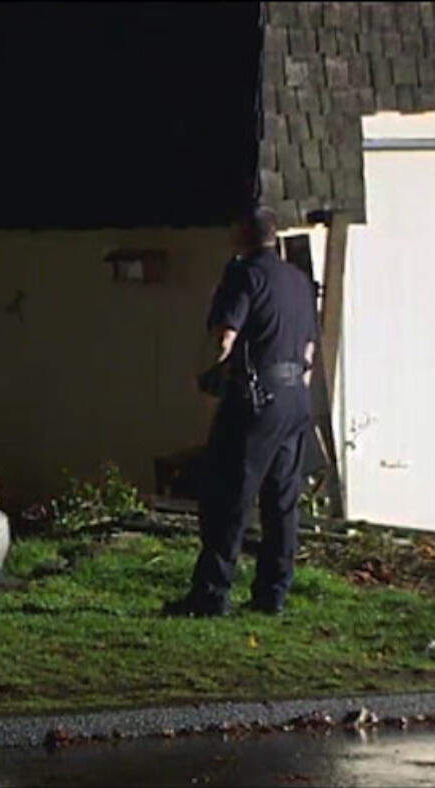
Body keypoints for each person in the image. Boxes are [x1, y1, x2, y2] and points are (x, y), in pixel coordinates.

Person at [166, 205, 318, 617]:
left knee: (226, 496)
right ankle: (273, 593)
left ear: (242, 235)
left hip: (255, 397)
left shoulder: (243, 274)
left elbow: (225, 337)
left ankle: (211, 595)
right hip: (295, 397)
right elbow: (308, 348)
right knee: (281, 501)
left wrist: (205, 375)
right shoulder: (299, 281)